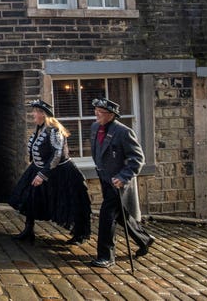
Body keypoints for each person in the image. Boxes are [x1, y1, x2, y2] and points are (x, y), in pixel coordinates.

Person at [8, 99, 91, 244]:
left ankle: (79, 235)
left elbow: (57, 154)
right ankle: (28, 230)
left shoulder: (54, 130)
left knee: (69, 202)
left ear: (43, 114)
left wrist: (42, 174)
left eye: (35, 111)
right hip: (39, 167)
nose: (32, 114)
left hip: (61, 172)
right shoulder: (40, 128)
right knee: (29, 197)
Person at [89, 97, 155, 268]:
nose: (97, 114)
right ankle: (144, 239)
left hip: (118, 182)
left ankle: (106, 256)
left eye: (101, 112)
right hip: (105, 179)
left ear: (111, 114)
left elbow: (137, 159)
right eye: (95, 110)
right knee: (121, 215)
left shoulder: (123, 132)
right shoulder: (95, 127)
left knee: (107, 217)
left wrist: (123, 177)